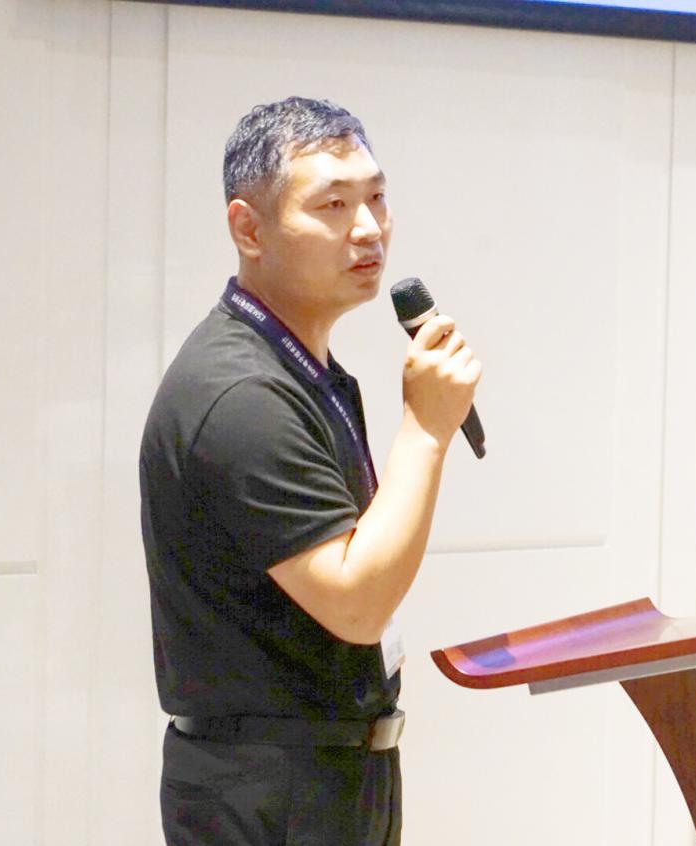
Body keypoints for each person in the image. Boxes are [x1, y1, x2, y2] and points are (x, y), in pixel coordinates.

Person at [139, 96, 481, 846]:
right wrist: (425, 431)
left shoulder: (299, 369)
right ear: (248, 228)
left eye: (375, 198)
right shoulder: (241, 394)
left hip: (323, 772)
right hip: (270, 790)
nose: (367, 228)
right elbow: (355, 606)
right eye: (332, 205)